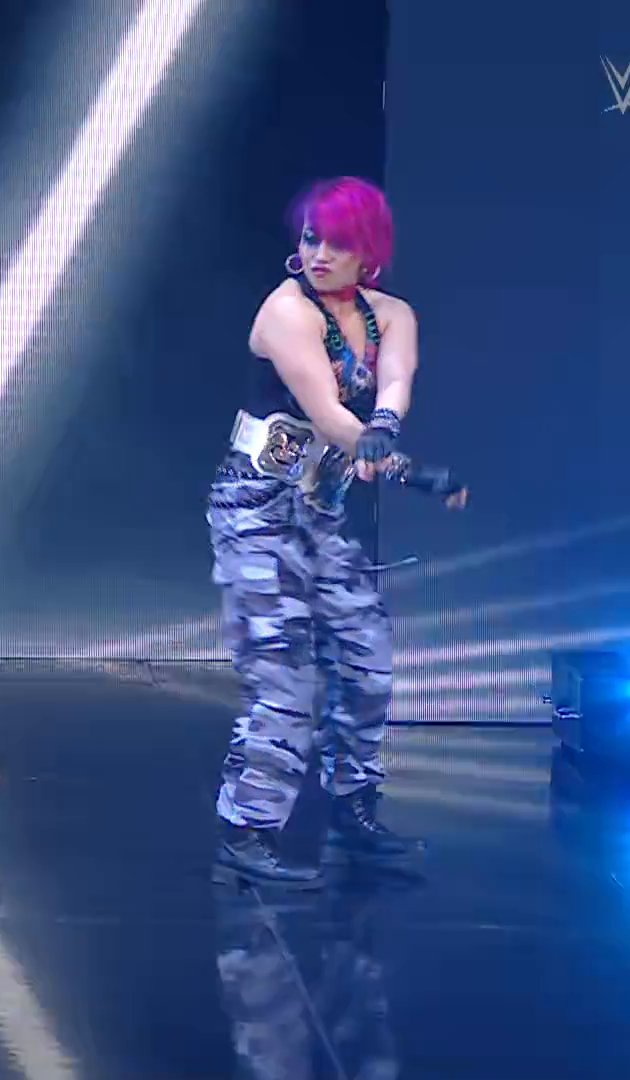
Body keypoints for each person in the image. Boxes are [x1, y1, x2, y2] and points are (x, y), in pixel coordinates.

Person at [208, 177, 466, 889]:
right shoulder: (285, 311)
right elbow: (326, 412)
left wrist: (385, 428)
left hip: (319, 511)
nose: (320, 253)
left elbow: (395, 382)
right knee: (282, 668)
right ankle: (247, 829)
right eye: (311, 237)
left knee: (366, 654)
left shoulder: (392, 316)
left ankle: (353, 808)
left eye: (339, 242)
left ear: (368, 252)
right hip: (255, 510)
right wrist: (404, 467)